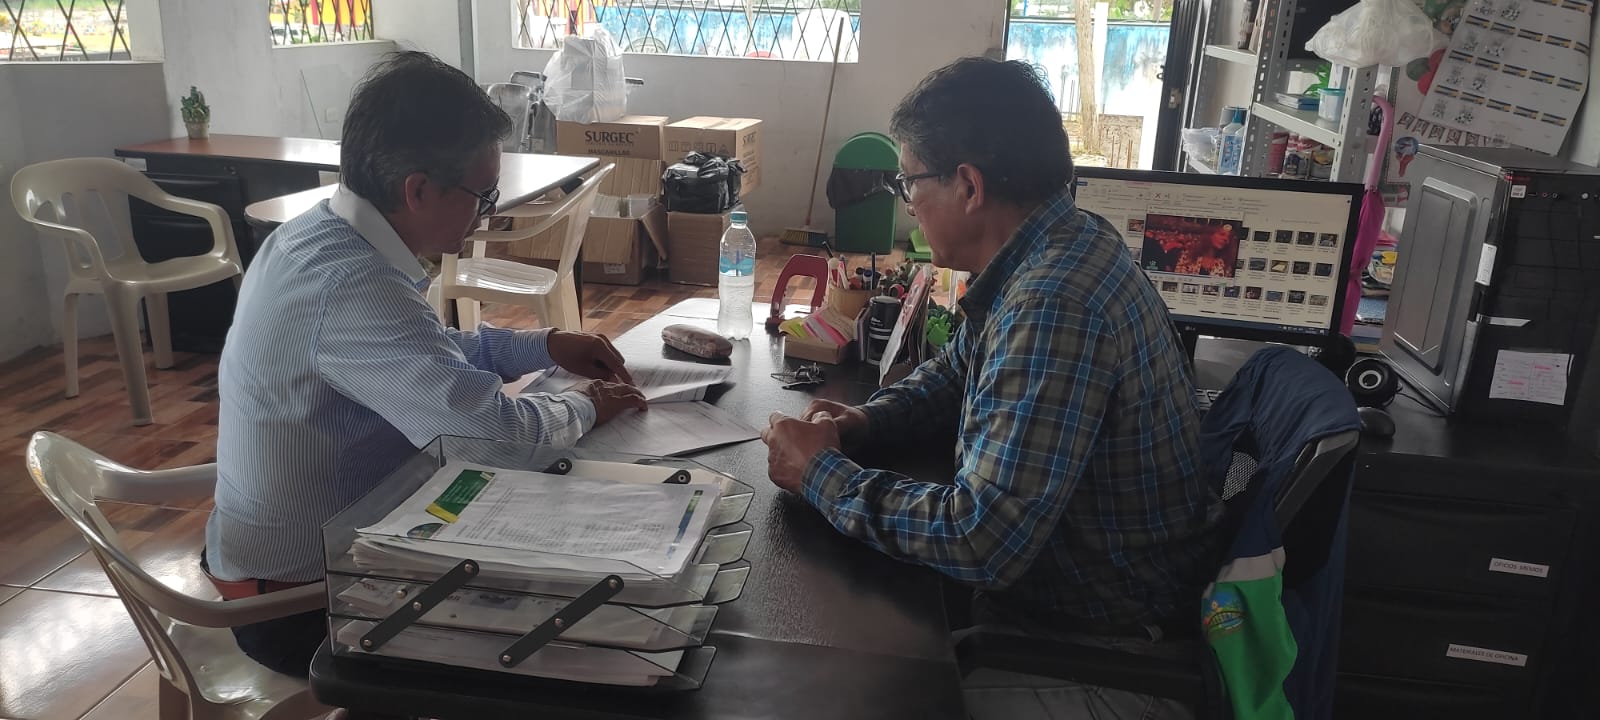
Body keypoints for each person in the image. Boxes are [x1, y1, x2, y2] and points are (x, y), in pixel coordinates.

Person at [760, 58, 1223, 719]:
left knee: (838, 698)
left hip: (1101, 654)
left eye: (908, 181)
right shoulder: (1061, 242)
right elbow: (957, 372)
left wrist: (821, 475)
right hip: (1058, 615)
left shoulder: (1055, 303)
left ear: (969, 186)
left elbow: (982, 540)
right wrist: (863, 423)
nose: (907, 203)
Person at [204, 51, 647, 677]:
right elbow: (492, 440)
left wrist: (543, 346)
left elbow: (419, 356)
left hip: (286, 559)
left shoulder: (314, 234)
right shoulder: (352, 284)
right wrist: (585, 403)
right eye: (483, 195)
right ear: (417, 190)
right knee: (576, 627)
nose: (489, 212)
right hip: (302, 603)